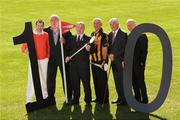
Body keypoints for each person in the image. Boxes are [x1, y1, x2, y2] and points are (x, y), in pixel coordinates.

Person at [44, 15, 72, 103]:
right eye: (52, 20)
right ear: (50, 22)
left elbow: (71, 45)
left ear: (59, 22)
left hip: (63, 59)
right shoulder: (46, 31)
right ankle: (50, 98)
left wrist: (65, 41)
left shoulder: (65, 31)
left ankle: (68, 96)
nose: (54, 22)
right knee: (50, 79)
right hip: (51, 60)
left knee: (66, 78)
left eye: (56, 20)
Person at [22, 19, 50, 103]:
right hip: (34, 60)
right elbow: (24, 46)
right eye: (38, 26)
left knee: (44, 78)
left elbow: (48, 47)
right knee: (31, 78)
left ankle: (45, 96)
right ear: (35, 26)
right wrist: (25, 50)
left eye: (41, 26)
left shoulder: (46, 35)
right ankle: (29, 98)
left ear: (43, 26)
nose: (40, 27)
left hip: (44, 60)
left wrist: (47, 57)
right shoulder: (31, 35)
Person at [65, 22, 92, 106]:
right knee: (75, 83)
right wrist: (67, 56)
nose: (79, 29)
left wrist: (89, 50)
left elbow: (93, 50)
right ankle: (75, 99)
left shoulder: (89, 39)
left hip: (84, 66)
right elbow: (67, 49)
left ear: (84, 28)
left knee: (86, 84)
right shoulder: (71, 38)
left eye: (81, 27)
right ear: (75, 28)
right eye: (78, 27)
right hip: (73, 66)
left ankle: (88, 100)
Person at [126, 19, 148, 103]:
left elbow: (144, 51)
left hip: (138, 63)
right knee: (133, 81)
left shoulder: (142, 35)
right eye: (128, 25)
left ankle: (144, 99)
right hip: (130, 63)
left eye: (131, 25)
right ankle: (137, 98)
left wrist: (142, 62)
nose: (129, 27)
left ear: (135, 25)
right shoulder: (128, 35)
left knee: (140, 81)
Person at [108, 18, 127, 105]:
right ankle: (119, 97)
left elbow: (124, 49)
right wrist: (109, 54)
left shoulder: (123, 34)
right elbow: (108, 48)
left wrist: (114, 55)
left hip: (120, 62)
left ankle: (125, 99)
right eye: (111, 24)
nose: (112, 26)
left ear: (118, 24)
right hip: (113, 62)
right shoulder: (109, 35)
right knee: (116, 80)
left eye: (113, 24)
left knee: (122, 80)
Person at [90, 18, 109, 105]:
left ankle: (104, 99)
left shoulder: (104, 35)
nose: (96, 25)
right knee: (96, 80)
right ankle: (98, 97)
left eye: (98, 23)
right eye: (95, 23)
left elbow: (105, 48)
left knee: (102, 81)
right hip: (93, 61)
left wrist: (104, 60)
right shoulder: (93, 34)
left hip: (101, 61)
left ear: (101, 24)